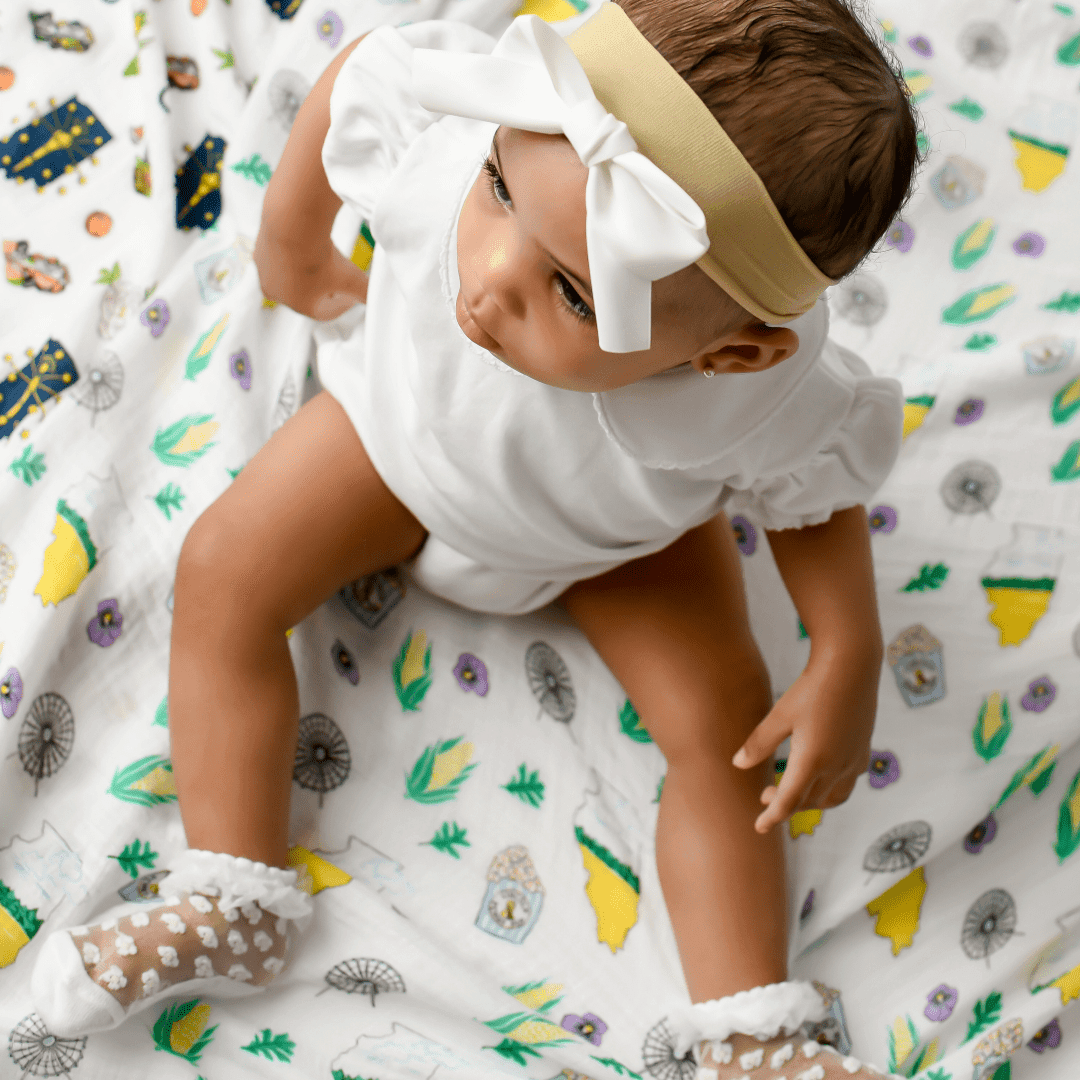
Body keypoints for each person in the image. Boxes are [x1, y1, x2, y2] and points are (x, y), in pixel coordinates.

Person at [31, 0, 919, 1070]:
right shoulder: (448, 139)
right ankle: (232, 888)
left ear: (732, 353)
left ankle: (750, 1026)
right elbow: (357, 76)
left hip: (618, 538)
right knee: (223, 569)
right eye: (501, 189)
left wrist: (846, 647)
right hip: (396, 441)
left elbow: (812, 495)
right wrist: (292, 245)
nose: (491, 276)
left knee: (730, 736)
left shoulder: (759, 397)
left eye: (574, 293)